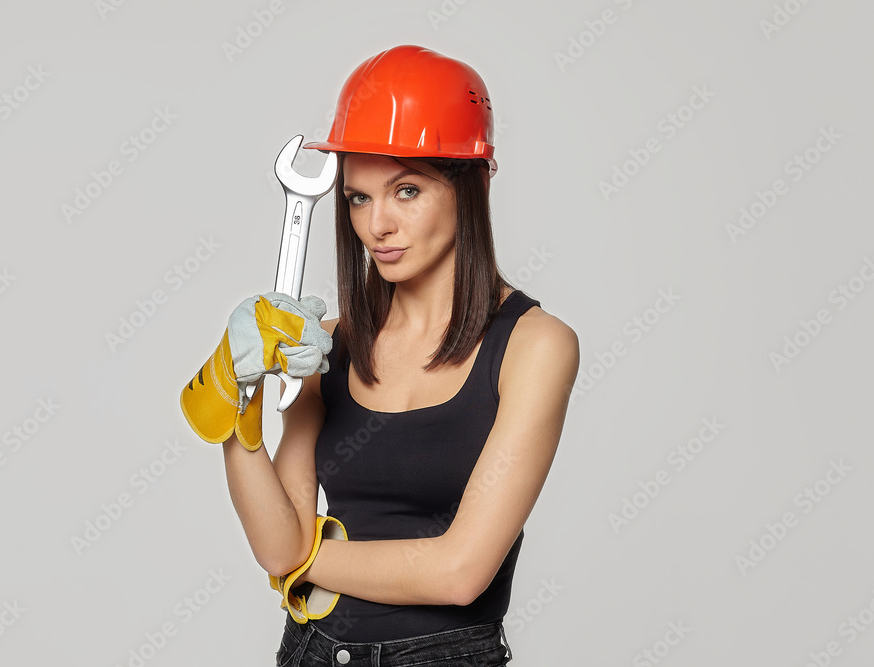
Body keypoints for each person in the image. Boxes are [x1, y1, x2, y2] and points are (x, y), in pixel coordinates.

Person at [180, 44, 579, 666]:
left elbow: (460, 572)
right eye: (359, 197)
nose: (376, 226)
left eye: (407, 190)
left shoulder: (535, 346)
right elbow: (272, 536)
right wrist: (237, 396)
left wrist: (302, 561)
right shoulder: (327, 344)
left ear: (472, 183)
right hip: (312, 651)